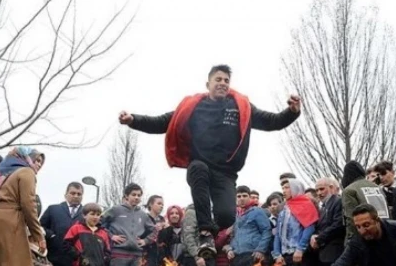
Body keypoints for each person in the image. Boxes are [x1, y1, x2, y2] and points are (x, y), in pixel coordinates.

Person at [119, 64, 301, 255]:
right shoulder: (193, 106)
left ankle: (211, 230)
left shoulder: (240, 106)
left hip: (226, 173)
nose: (223, 83)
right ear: (208, 83)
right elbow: (162, 122)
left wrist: (292, 112)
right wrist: (133, 120)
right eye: (218, 79)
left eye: (226, 81)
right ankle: (205, 232)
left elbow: (272, 121)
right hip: (200, 166)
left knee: (226, 217)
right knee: (198, 168)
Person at [273, 179, 319, 266]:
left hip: (299, 255)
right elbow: (278, 235)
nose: (284, 190)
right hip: (285, 256)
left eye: (287, 187)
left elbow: (309, 227)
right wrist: (277, 253)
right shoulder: (284, 209)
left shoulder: (305, 204)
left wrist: (300, 248)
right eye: (283, 187)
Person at [223, 186, 272, 266]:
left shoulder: (257, 211)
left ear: (250, 197)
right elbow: (232, 236)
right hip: (237, 258)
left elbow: (267, 230)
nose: (241, 199)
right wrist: (229, 249)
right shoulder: (235, 216)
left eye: (244, 196)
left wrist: (260, 249)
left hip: (253, 257)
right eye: (239, 196)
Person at [310, 177, 347, 266]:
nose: (319, 193)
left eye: (322, 189)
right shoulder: (324, 206)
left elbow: (338, 224)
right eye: (317, 190)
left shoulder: (337, 202)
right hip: (324, 254)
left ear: (332, 188)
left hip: (334, 253)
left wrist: (320, 238)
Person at [342, 161, 389, 241]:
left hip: (365, 238)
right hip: (384, 233)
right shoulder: (377, 188)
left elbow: (351, 220)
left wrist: (350, 242)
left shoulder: (349, 190)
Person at [140, 195, 167, 266]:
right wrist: (154, 229)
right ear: (151, 204)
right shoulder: (144, 218)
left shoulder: (162, 219)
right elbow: (140, 235)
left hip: (160, 258)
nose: (161, 206)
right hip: (147, 256)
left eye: (162, 204)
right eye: (159, 203)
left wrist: (165, 229)